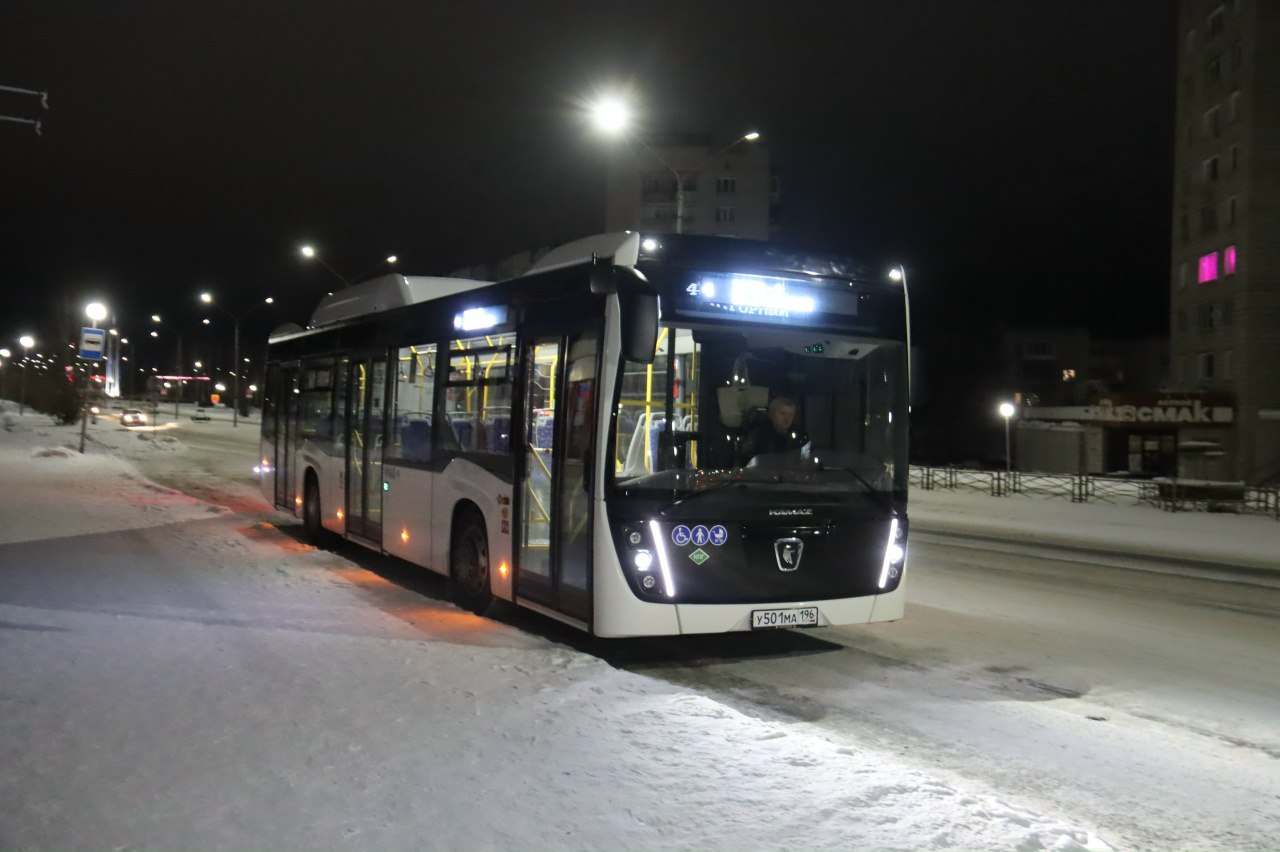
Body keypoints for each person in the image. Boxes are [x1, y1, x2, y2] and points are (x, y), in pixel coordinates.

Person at [742, 396, 808, 460]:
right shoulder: (760, 435)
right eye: (782, 413)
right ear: (772, 414)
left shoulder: (799, 435)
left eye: (790, 414)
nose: (787, 418)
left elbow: (806, 456)